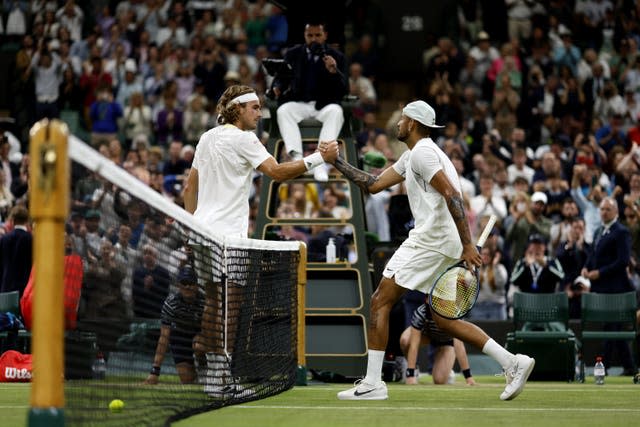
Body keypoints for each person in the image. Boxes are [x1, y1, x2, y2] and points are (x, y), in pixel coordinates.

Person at [327, 100, 534, 401]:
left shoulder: (423, 153)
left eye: (401, 119)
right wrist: (337, 161)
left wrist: (467, 244)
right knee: (444, 320)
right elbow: (373, 185)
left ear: (412, 123)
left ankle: (373, 383)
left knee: (379, 300)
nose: (397, 123)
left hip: (432, 240)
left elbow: (452, 195)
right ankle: (513, 362)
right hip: (442, 241)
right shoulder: (415, 154)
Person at [182, 84, 338, 396]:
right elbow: (277, 172)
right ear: (237, 109)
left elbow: (189, 191)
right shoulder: (244, 139)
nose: (259, 112)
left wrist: (193, 225)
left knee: (214, 303)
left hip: (201, 231)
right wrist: (319, 158)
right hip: (227, 236)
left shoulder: (206, 138)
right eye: (254, 107)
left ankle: (214, 377)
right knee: (230, 305)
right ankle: (222, 380)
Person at [271, 21, 348, 182]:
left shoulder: (337, 56)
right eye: (310, 35)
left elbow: (343, 91)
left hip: (324, 106)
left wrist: (334, 72)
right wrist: (277, 87)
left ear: (325, 35)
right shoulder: (293, 53)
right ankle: (298, 160)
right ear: (305, 36)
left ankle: (320, 161)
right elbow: (281, 78)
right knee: (283, 111)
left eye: (317, 35)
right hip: (300, 103)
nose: (314, 39)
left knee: (336, 111)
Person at [581, 197, 637, 375]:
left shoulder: (621, 232)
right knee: (614, 329)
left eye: (607, 210)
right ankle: (630, 367)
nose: (604, 212)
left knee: (611, 328)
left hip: (617, 289)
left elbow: (623, 261)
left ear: (616, 212)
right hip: (603, 288)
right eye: (602, 209)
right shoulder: (599, 230)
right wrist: (586, 267)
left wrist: (600, 273)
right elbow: (593, 254)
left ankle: (604, 367)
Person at [144, 266, 205, 385]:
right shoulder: (171, 303)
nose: (187, 286)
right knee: (187, 381)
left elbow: (210, 329)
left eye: (191, 283)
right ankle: (195, 373)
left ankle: (205, 371)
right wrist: (155, 371)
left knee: (199, 345)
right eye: (184, 283)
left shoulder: (204, 301)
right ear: (178, 285)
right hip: (179, 339)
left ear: (197, 285)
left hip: (199, 335)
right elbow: (164, 337)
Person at [399, 303, 476, 385]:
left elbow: (459, 346)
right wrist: (410, 375)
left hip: (447, 342)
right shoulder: (421, 312)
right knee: (405, 340)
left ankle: (448, 371)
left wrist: (468, 377)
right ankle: (415, 370)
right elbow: (414, 344)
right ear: (426, 299)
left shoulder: (454, 312)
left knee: (439, 381)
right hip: (428, 336)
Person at [0, 205, 32, 298]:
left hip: (6, 288)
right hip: (26, 289)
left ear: (12, 220)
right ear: (26, 221)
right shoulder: (31, 239)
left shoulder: (4, 239)